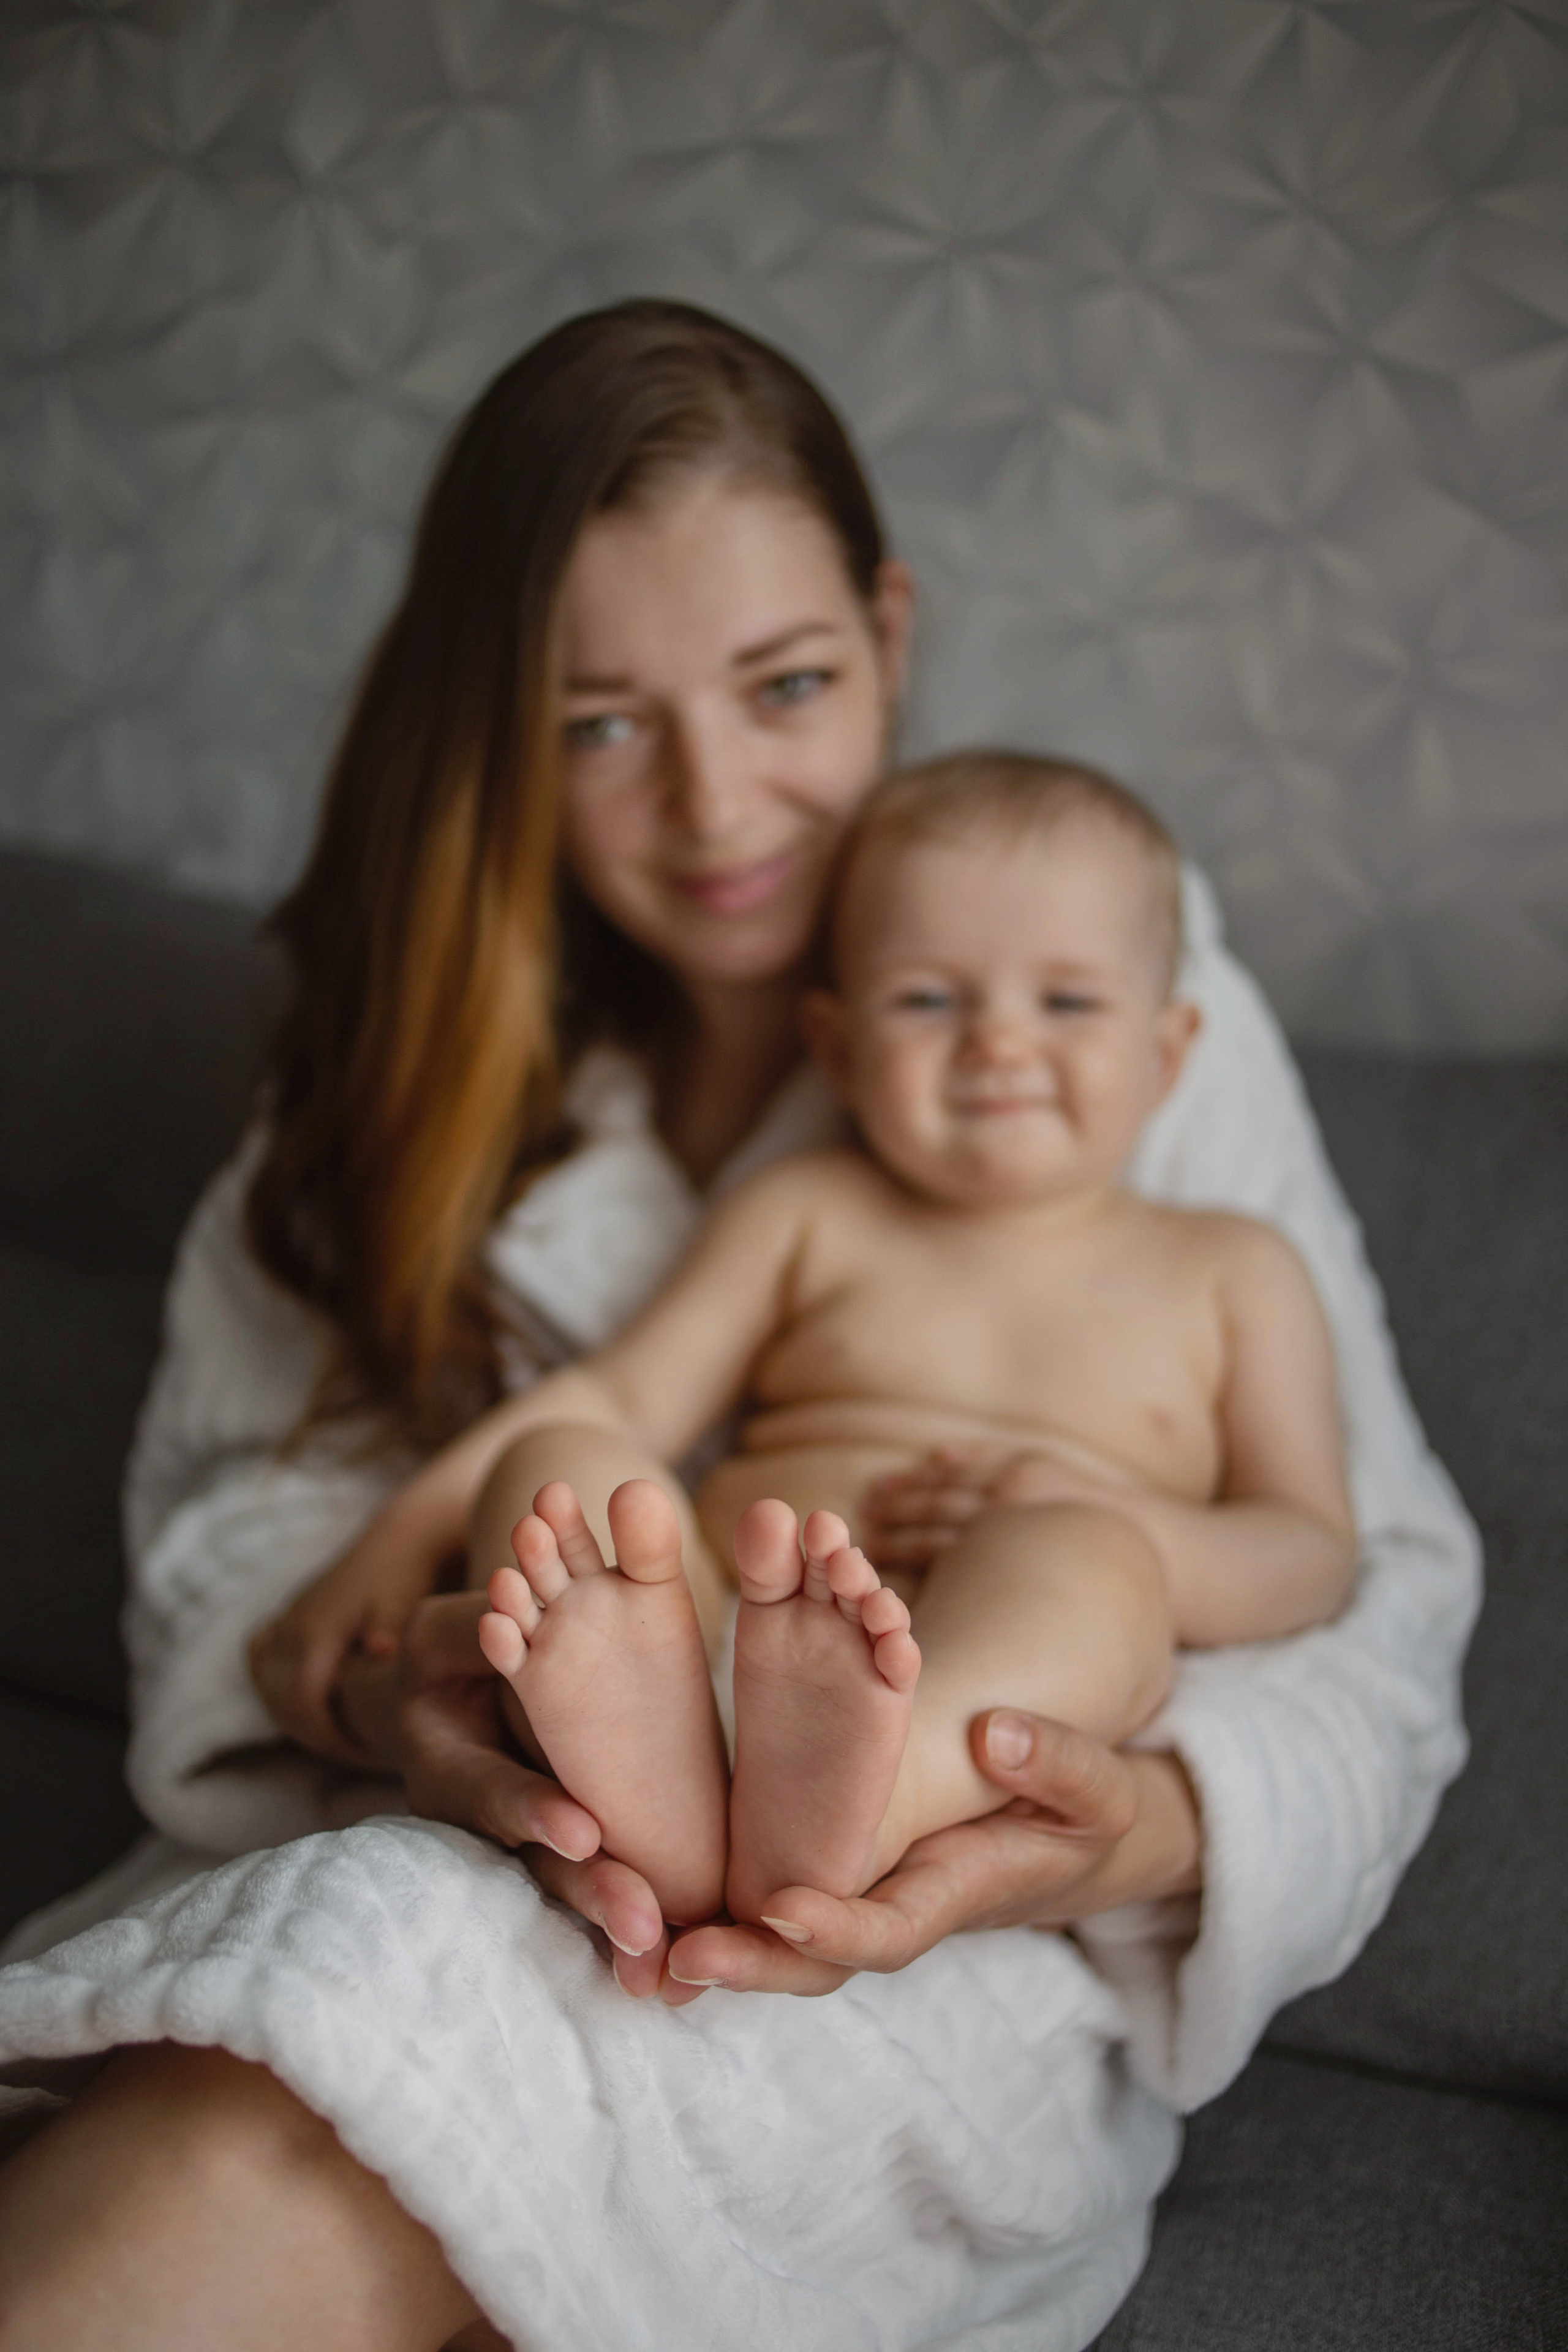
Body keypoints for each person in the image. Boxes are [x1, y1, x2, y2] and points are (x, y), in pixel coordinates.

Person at [0, 301, 1477, 2352]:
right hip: (537, 1794)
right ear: (497, 728)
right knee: (411, 1843)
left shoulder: (1086, 965)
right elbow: (267, 1517)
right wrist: (392, 1667)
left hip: (938, 1917)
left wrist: (1113, 1825)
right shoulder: (405, 1063)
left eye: (787, 685)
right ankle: (666, 1754)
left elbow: (1368, 1596)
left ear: (889, 630)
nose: (717, 806)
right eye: (604, 724)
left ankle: (857, 1785)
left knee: (338, 2069)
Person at [412, 750, 1358, 1937]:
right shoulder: (805, 1209)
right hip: (716, 1648)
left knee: (1092, 1558)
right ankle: (648, 1773)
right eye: (927, 1001)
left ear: (1167, 1053)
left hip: (970, 1694)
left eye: (1066, 1003)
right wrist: (417, 1520)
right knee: (558, 1460)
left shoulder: (1233, 1270)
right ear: (838, 1046)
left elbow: (1312, 1552)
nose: (997, 1044)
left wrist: (1126, 1522)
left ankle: (884, 1792)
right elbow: (624, 1398)